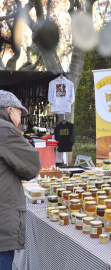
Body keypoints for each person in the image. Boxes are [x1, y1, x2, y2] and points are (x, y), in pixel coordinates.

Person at [0, 90, 41, 270]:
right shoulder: (5, 129)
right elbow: (32, 166)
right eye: (19, 114)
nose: (19, 121)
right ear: (9, 110)